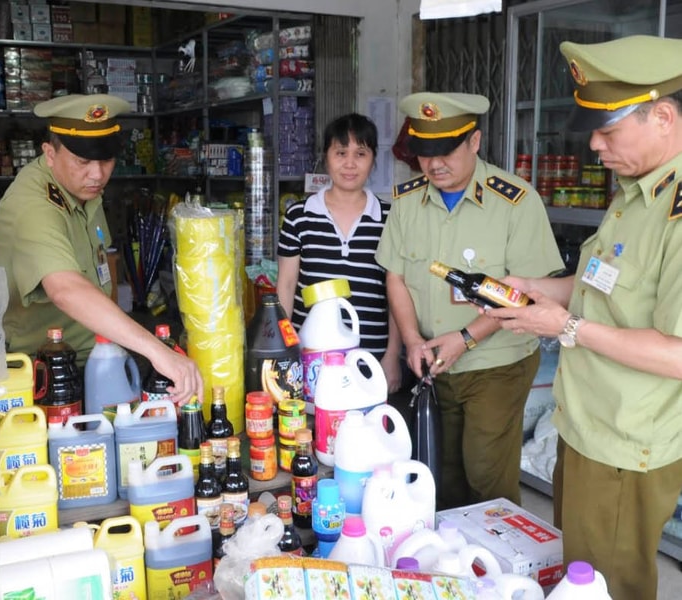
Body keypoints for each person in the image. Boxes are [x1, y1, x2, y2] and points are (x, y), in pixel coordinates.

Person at [486, 35, 682, 600]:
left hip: (627, 442)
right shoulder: (635, 193)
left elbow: (676, 353)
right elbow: (599, 285)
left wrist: (565, 328)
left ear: (663, 117)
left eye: (609, 129)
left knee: (609, 584)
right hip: (585, 426)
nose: (594, 144)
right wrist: (526, 290)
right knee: (582, 574)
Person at [375, 93, 564, 509]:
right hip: (433, 364)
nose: (434, 163)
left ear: (474, 142)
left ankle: (497, 567)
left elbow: (525, 295)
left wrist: (465, 337)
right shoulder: (407, 201)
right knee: (440, 478)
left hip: (495, 364)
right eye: (425, 152)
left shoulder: (515, 201)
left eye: (446, 150)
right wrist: (410, 341)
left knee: (486, 477)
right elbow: (397, 277)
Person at [0, 94, 203, 406]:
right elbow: (65, 289)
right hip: (47, 376)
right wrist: (157, 352)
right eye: (82, 161)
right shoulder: (34, 205)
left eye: (106, 160)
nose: (97, 174)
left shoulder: (84, 191)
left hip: (97, 357)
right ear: (50, 154)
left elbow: (104, 266)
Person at [277, 113, 402, 392]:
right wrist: (285, 348)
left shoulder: (389, 218)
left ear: (372, 160)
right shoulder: (299, 215)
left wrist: (392, 355)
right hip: (310, 353)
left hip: (369, 355)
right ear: (326, 157)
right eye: (340, 152)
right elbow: (285, 285)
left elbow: (396, 291)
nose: (349, 163)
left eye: (360, 153)